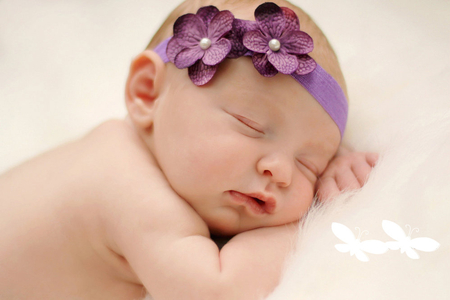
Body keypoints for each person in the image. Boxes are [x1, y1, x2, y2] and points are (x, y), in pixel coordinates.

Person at [0, 0, 378, 299]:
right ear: (148, 92)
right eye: (250, 125)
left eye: (309, 164)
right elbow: (218, 290)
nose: (281, 171)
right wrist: (315, 220)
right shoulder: (119, 181)